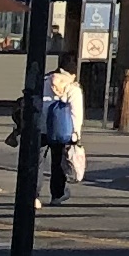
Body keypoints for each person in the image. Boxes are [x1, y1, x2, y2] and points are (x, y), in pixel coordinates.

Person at [40, 68, 84, 200]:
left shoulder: (44, 83)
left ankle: (33, 195)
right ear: (71, 74)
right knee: (58, 162)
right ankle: (57, 195)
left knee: (37, 163)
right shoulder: (72, 88)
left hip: (41, 128)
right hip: (61, 131)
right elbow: (76, 114)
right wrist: (76, 134)